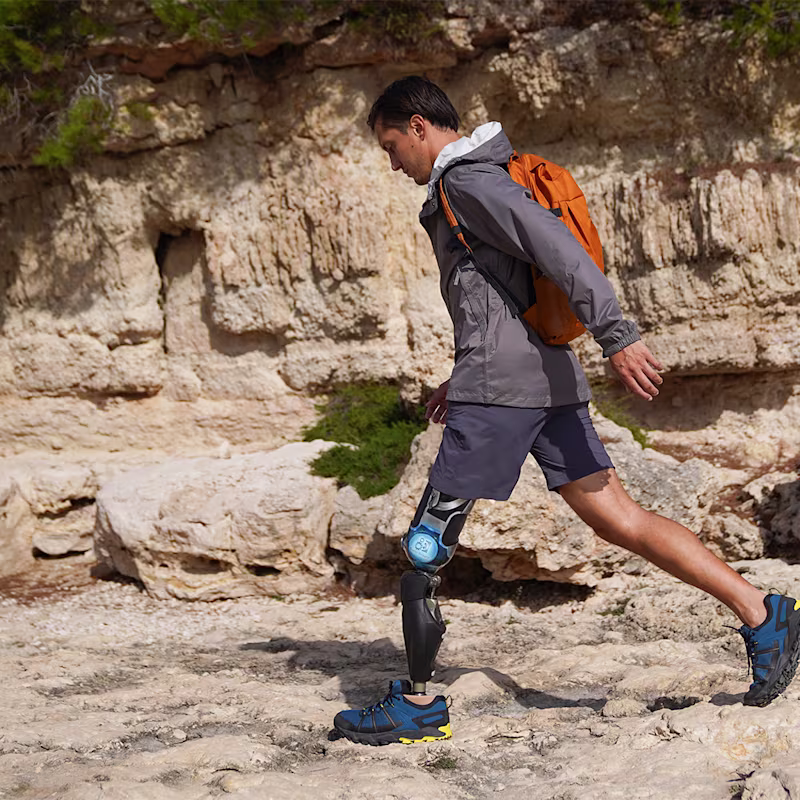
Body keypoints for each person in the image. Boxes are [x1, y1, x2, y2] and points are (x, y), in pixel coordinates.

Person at [332, 76, 800, 746]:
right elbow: (501, 295)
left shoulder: (467, 183)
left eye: (390, 146)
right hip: (542, 378)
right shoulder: (478, 179)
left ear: (417, 126)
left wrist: (617, 333)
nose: (391, 162)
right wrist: (453, 373)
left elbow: (556, 247)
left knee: (425, 549)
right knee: (621, 518)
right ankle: (763, 613)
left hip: (499, 394)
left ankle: (418, 703)